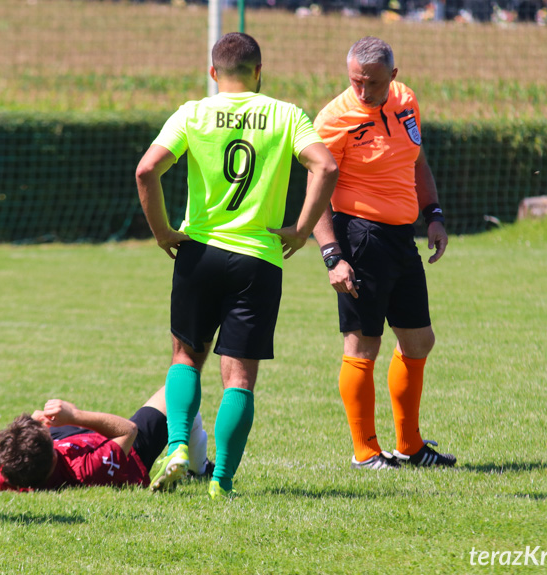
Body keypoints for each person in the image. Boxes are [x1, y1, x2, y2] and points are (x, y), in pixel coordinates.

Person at [135, 32, 339, 499]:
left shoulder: (193, 112)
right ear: (259, 72)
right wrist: (302, 228)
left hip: (200, 252)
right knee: (240, 378)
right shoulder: (286, 115)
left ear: (213, 73)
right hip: (258, 260)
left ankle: (181, 445)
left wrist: (164, 232)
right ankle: (222, 481)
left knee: (186, 356)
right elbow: (325, 167)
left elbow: (146, 170)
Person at [310, 37, 455, 470]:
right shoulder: (335, 118)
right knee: (362, 344)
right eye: (355, 80)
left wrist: (433, 214)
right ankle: (365, 452)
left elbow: (417, 162)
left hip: (400, 237)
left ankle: (410, 446)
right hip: (358, 236)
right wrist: (333, 256)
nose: (362, 90)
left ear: (392, 77)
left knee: (418, 340)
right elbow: (318, 191)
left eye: (372, 82)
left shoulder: (406, 101)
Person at [0, 387, 211, 491]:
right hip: (131, 455)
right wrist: (75, 416)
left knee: (58, 416)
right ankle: (199, 468)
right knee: (177, 389)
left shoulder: (9, 471)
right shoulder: (84, 469)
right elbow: (127, 431)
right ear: (53, 454)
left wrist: (36, 422)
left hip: (77, 444)